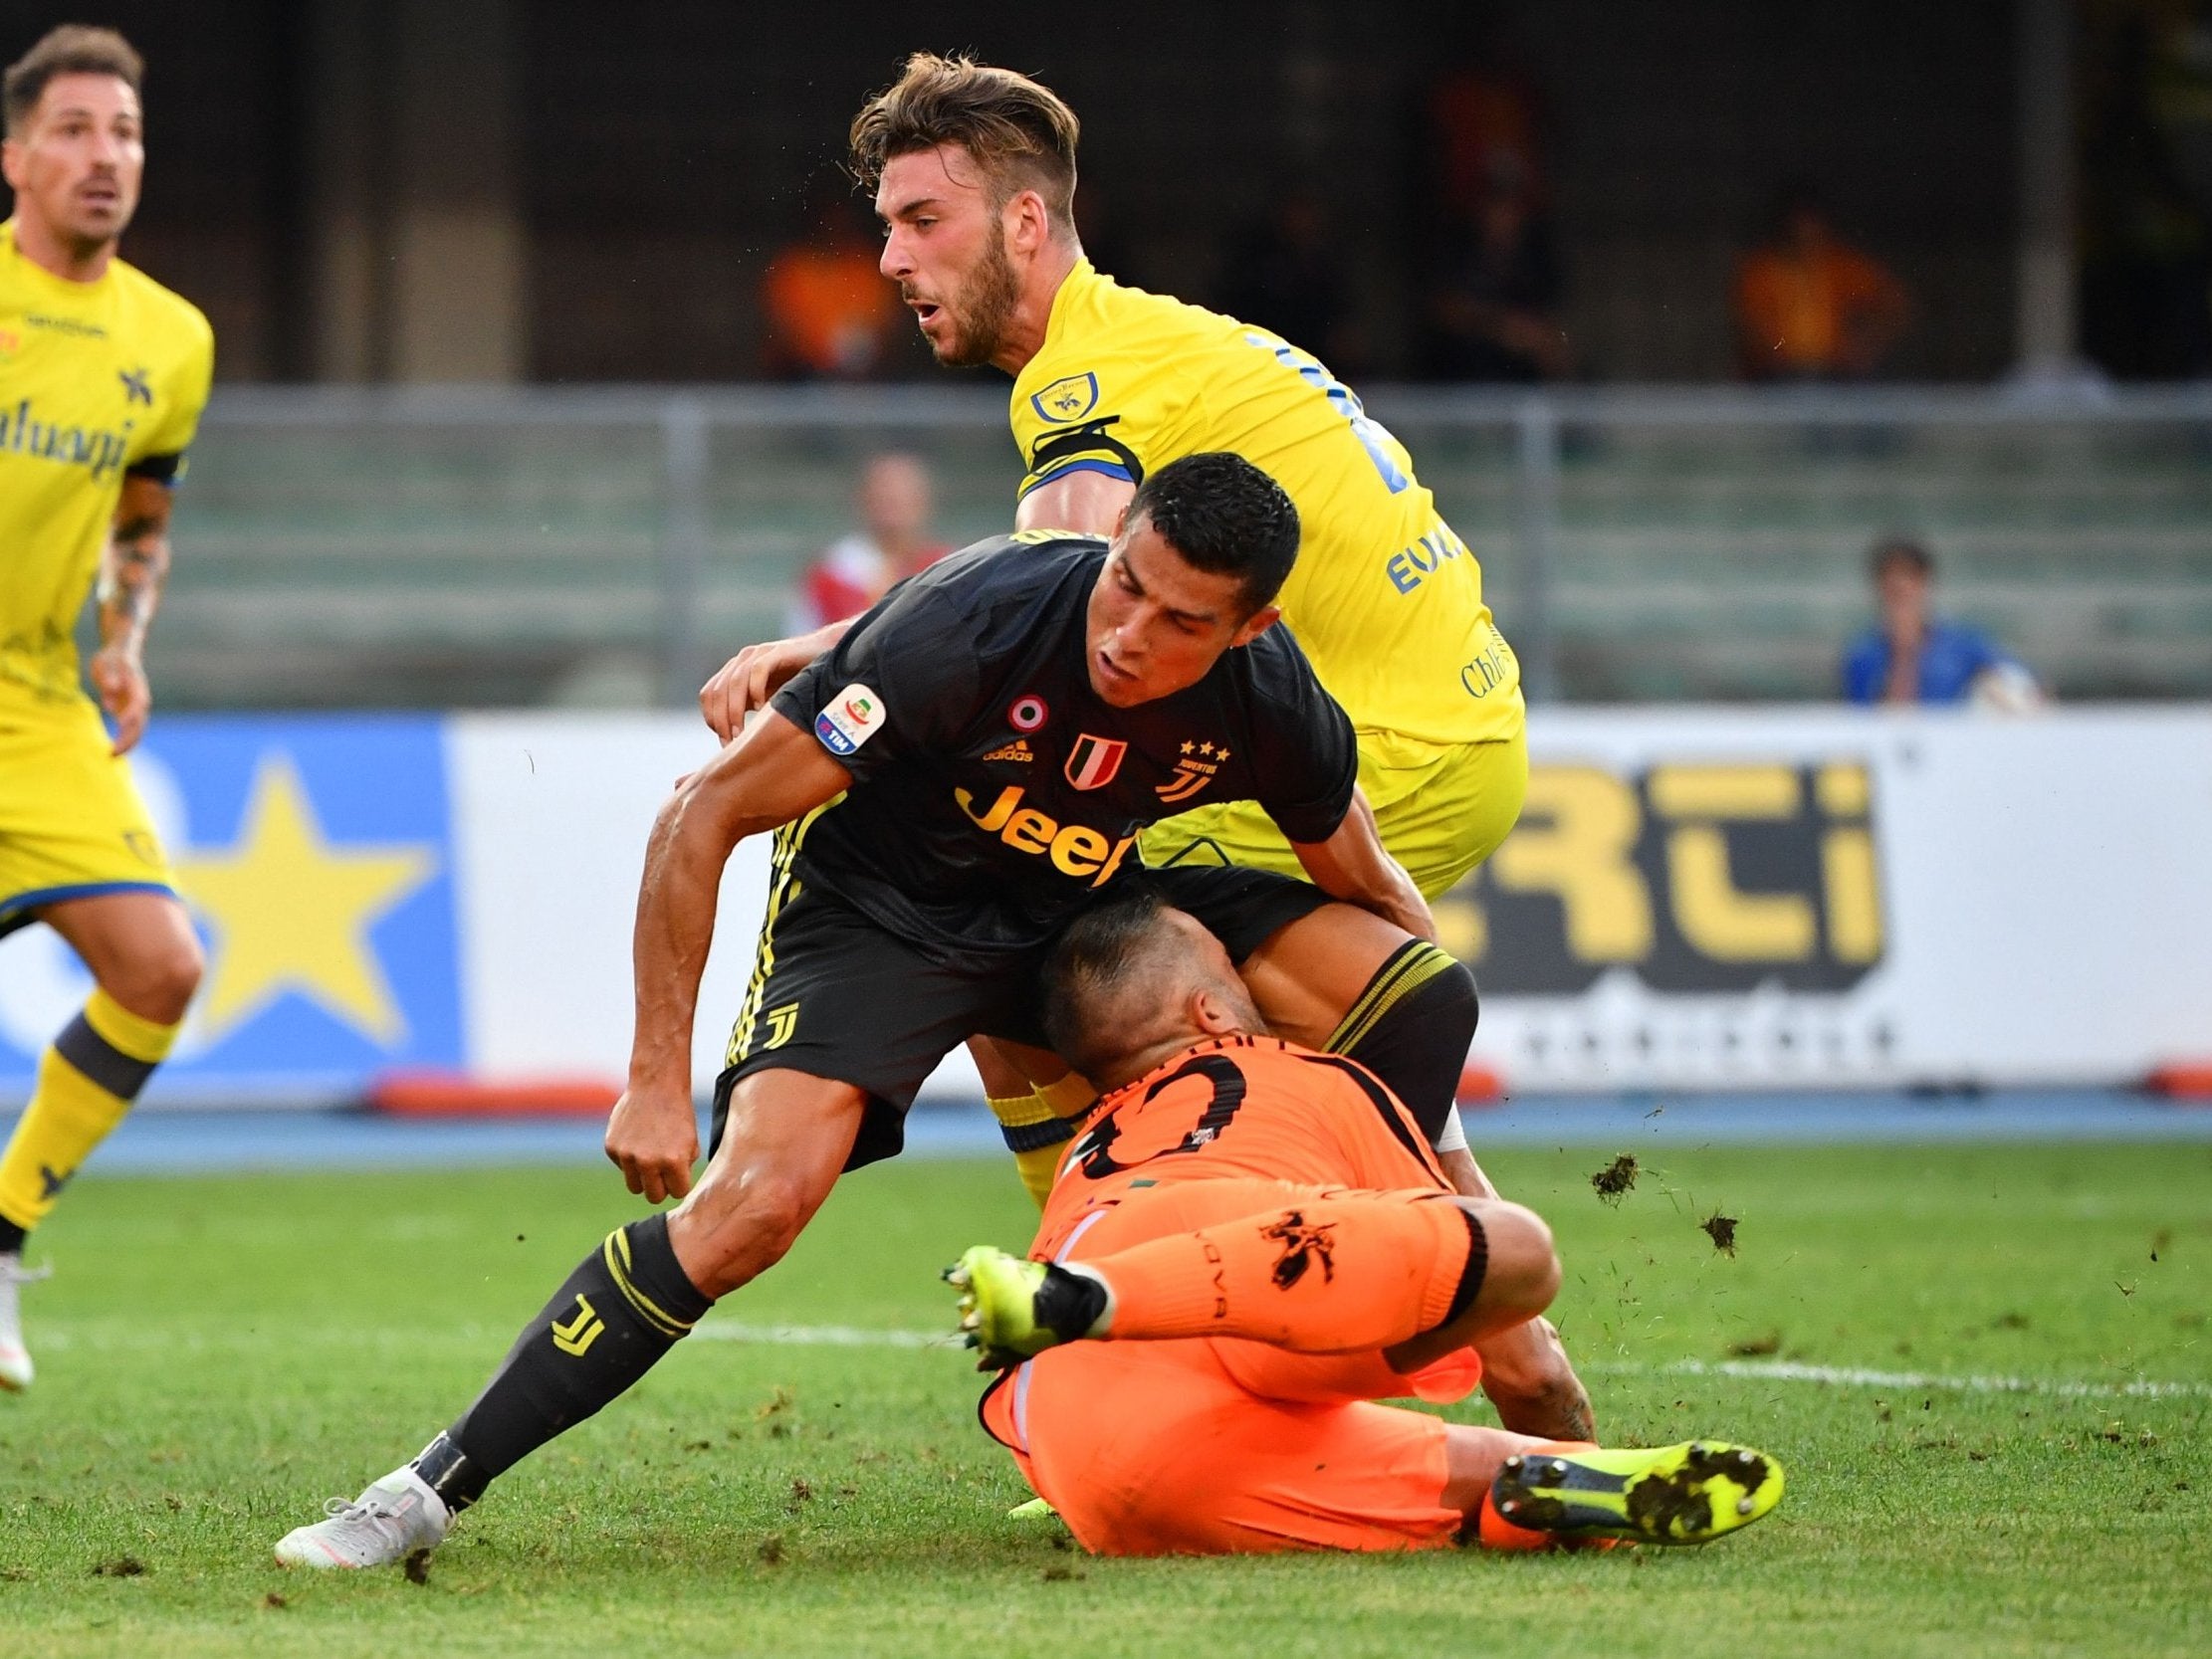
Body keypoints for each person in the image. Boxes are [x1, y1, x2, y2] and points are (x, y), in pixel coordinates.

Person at [271, 454, 1498, 1570]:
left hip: (1070, 921)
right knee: (751, 1209)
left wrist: (1441, 1168)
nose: (1130, 633)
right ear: (1114, 536)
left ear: (1250, 626)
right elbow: (698, 816)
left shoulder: (1266, 700)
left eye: (1181, 620)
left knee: (1412, 986)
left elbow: (1377, 892)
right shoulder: (970, 624)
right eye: (1124, 583)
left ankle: (1295, 1332)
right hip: (878, 916)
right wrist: (654, 1072)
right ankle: (423, 1489)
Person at [699, 54, 1536, 1236]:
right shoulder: (1153, 343)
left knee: (994, 876)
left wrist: (831, 649)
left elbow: (1053, 596)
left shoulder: (1079, 378)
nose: (890, 260)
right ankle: (1468, 1261)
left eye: (922, 221)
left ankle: (1099, 1261)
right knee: (1043, 890)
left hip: (1386, 747)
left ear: (1025, 220)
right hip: (1446, 725)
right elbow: (1052, 589)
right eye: (886, 227)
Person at [944, 888, 1785, 1555]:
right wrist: (1569, 1420)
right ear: (1210, 1010)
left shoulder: (1084, 1153)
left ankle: (1561, 1489)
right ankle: (1098, 1295)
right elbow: (1523, 1363)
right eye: (1234, 968)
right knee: (1518, 1251)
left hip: (1082, 1446)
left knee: (1492, 1485)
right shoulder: (1312, 1080)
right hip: (1221, 1273)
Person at [0, 26, 214, 1393]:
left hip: (31, 696)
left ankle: (2, 1230)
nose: (103, 157)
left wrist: (123, 639)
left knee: (160, 967)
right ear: (16, 155)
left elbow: (144, 510)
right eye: (75, 129)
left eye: (124, 133)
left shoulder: (170, 337)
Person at [1735, 183, 1910, 381]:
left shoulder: (1842, 265)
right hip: (1778, 377)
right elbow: (1753, 326)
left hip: (1841, 375)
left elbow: (1893, 305)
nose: (1804, 232)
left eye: (1811, 224)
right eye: (1797, 225)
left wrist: (1865, 345)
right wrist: (1776, 355)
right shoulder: (1761, 271)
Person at [1842, 535, 2038, 708]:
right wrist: (1902, 652)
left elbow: (2022, 682)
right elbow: (1871, 720)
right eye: (1890, 578)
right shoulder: (1862, 655)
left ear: (1925, 582)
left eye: (1909, 576)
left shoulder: (1962, 644)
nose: (1900, 586)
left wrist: (1999, 689)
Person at [787, 452, 950, 633]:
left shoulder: (949, 568)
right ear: (863, 499)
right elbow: (799, 642)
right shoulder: (831, 573)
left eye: (903, 496)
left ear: (923, 501)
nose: (893, 504)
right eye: (884, 495)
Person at [760, 183, 901, 380]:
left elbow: (887, 324)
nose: (834, 226)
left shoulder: (866, 266)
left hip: (867, 378)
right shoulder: (793, 269)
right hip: (805, 377)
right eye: (827, 219)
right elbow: (784, 331)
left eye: (841, 218)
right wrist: (827, 355)